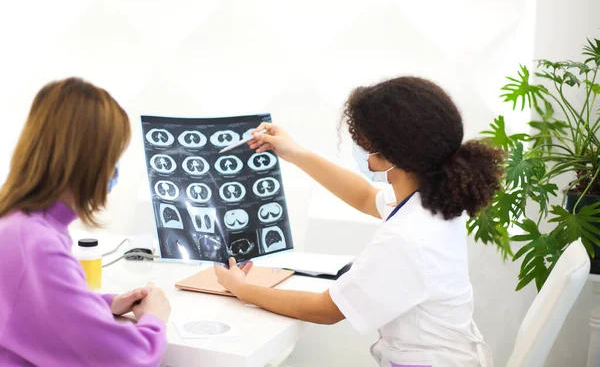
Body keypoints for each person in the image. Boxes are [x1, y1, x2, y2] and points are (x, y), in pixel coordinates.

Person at [215, 76, 504, 366]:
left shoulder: (407, 236)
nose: (362, 147)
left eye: (366, 141)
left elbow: (326, 310)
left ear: (391, 152)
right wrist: (294, 153)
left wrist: (242, 289)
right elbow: (365, 197)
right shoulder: (433, 200)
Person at [0, 78, 171, 366]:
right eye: (112, 158)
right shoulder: (37, 242)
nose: (114, 173)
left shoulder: (17, 222)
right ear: (89, 160)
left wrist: (102, 304)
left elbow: (29, 308)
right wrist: (154, 319)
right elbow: (127, 359)